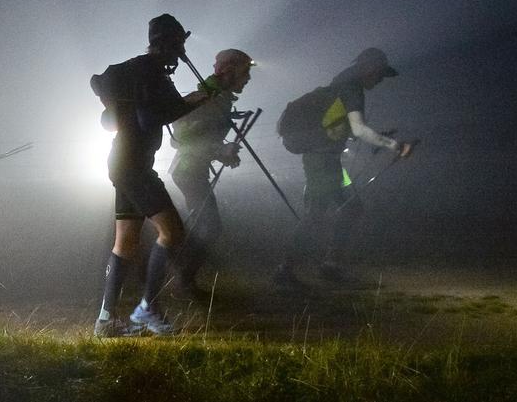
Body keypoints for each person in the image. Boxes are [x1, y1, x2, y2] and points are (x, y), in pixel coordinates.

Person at [90, 14, 219, 337]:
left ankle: (105, 321)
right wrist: (204, 94)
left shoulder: (136, 69)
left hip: (124, 161)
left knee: (126, 243)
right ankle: (147, 310)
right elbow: (154, 117)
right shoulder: (152, 73)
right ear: (169, 44)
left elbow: (154, 111)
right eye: (179, 45)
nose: (181, 53)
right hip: (133, 166)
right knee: (173, 232)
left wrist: (195, 98)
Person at [274, 48, 414, 286]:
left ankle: (329, 265)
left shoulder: (342, 83)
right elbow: (359, 129)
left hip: (329, 161)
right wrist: (394, 145)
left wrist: (378, 137)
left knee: (351, 208)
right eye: (380, 75)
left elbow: (343, 126)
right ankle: (285, 269)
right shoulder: (351, 88)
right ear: (370, 69)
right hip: (321, 161)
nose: (380, 80)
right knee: (316, 214)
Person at [168, 49, 256, 297]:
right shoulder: (208, 98)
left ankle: (181, 277)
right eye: (245, 72)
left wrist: (223, 153)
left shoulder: (220, 98)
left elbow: (201, 137)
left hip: (194, 169)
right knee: (210, 224)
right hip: (188, 170)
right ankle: (182, 282)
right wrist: (220, 149)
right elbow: (180, 138)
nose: (248, 79)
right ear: (230, 71)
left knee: (201, 223)